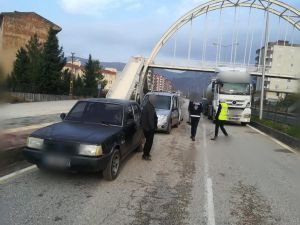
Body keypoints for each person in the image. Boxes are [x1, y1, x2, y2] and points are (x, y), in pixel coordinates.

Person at [141, 95, 158, 160]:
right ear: (151, 100)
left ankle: (146, 153)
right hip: (149, 128)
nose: (155, 100)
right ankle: (145, 155)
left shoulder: (146, 106)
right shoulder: (150, 107)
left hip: (146, 128)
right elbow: (151, 119)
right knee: (149, 142)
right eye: (154, 99)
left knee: (148, 141)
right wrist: (153, 128)